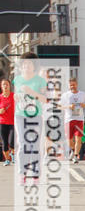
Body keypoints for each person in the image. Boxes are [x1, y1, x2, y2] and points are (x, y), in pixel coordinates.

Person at [13, 52, 47, 182]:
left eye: (30, 63)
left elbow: (45, 99)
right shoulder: (17, 79)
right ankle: (22, 173)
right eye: (25, 64)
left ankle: (35, 172)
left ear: (34, 66)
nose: (27, 66)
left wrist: (31, 92)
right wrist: (16, 96)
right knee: (22, 143)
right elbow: (17, 95)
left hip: (35, 116)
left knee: (34, 145)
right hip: (20, 115)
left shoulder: (40, 81)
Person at [60, 77, 85, 163]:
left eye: (74, 84)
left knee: (78, 139)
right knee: (68, 139)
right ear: (68, 86)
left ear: (77, 84)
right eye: (71, 85)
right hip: (69, 119)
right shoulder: (65, 95)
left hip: (79, 119)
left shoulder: (82, 94)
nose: (73, 86)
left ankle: (76, 156)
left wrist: (84, 105)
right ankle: (73, 150)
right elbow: (59, 106)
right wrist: (68, 106)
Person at [0, 78, 15, 165]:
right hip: (2, 122)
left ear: (9, 86)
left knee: (11, 141)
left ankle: (13, 155)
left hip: (12, 122)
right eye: (3, 84)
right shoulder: (0, 97)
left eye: (7, 84)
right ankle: (7, 160)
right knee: (5, 143)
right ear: (1, 87)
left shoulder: (14, 96)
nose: (5, 86)